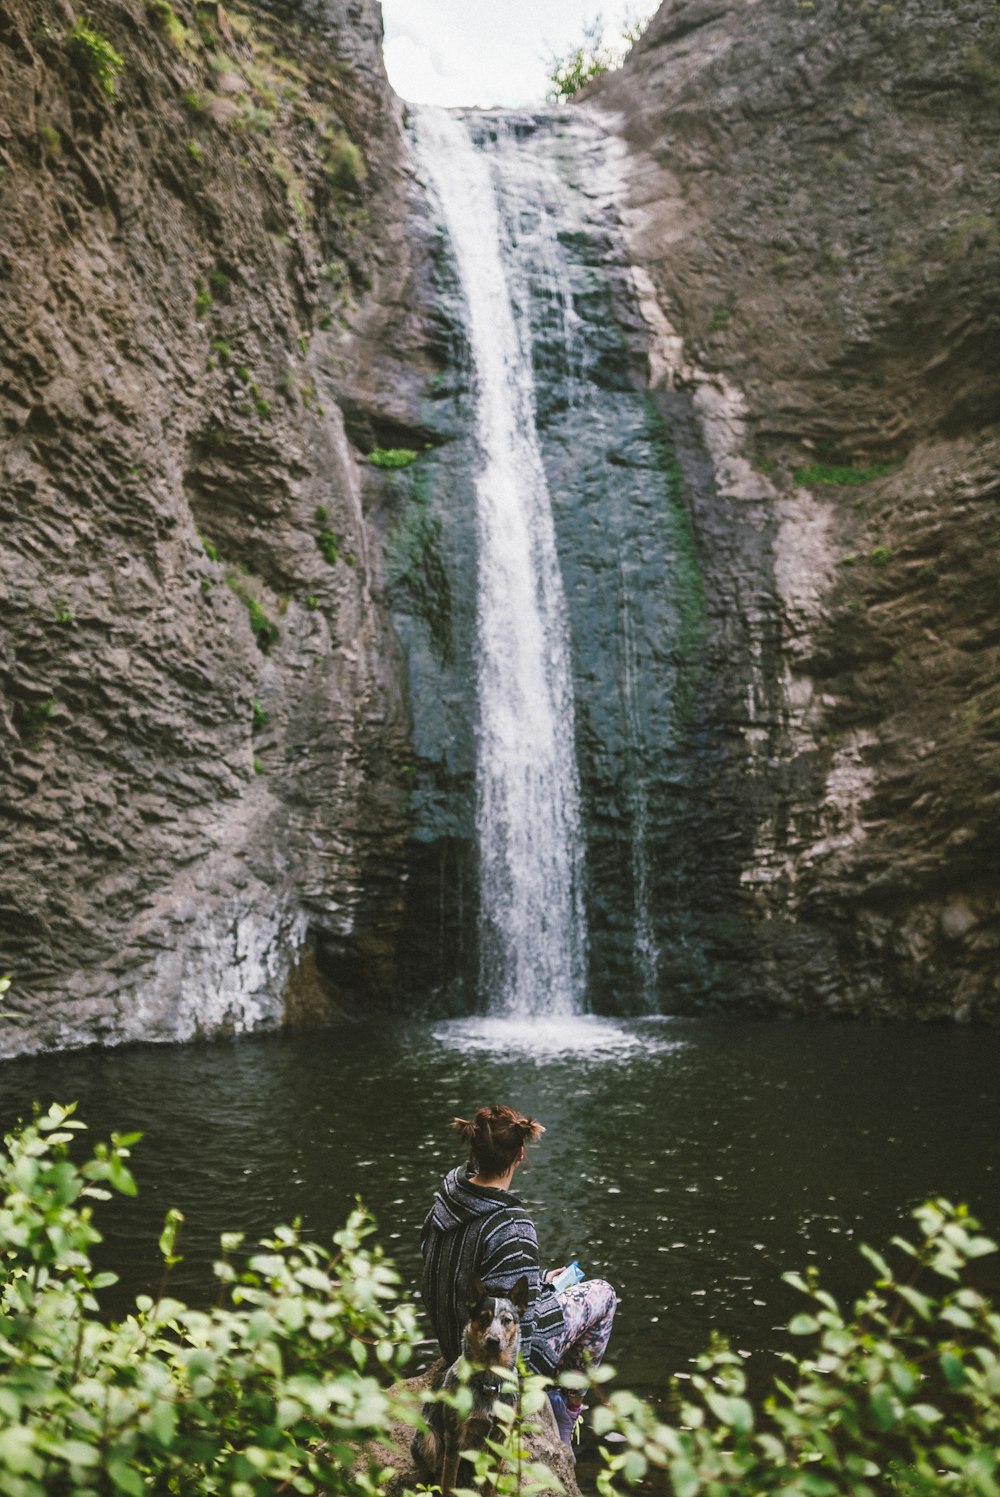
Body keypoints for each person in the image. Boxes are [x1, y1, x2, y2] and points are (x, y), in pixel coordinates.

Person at [420, 1102, 617, 1445]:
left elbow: (474, 1280)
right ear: (520, 1153)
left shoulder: (447, 1201)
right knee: (602, 1294)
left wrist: (539, 1282)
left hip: (456, 1340)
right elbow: (526, 1326)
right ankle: (565, 1413)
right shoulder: (512, 1225)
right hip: (487, 1360)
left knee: (549, 1289)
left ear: (474, 1149)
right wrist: (547, 1295)